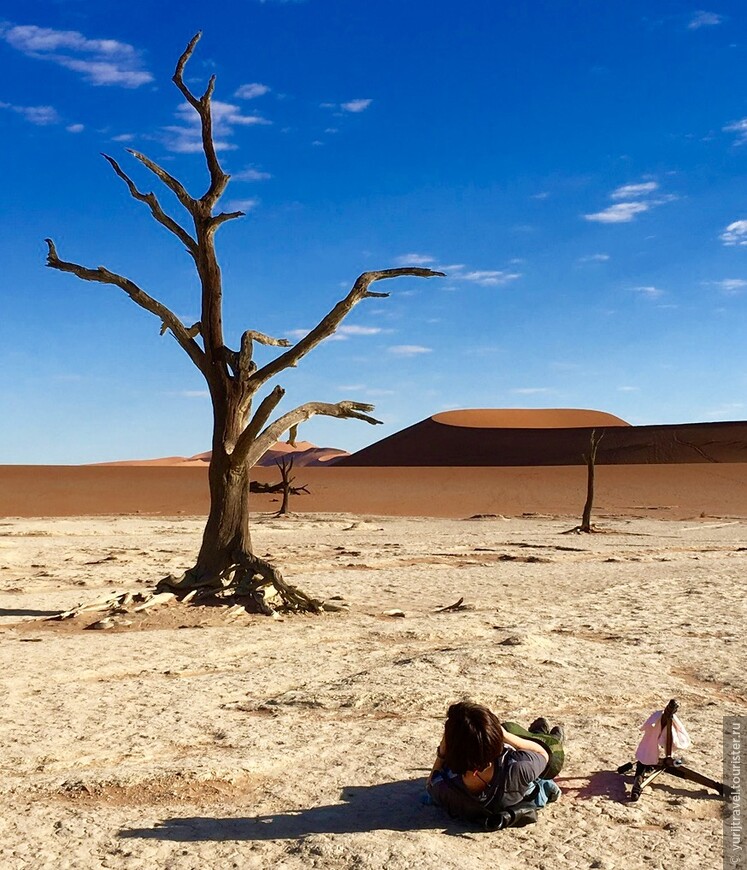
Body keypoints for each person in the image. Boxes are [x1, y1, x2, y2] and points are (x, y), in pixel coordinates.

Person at [426, 701, 564, 829]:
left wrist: (442, 753)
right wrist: (504, 734)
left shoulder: (445, 788)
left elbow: (431, 784)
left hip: (485, 802)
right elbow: (544, 754)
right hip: (523, 791)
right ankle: (543, 735)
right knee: (511, 728)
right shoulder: (518, 766)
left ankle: (538, 732)